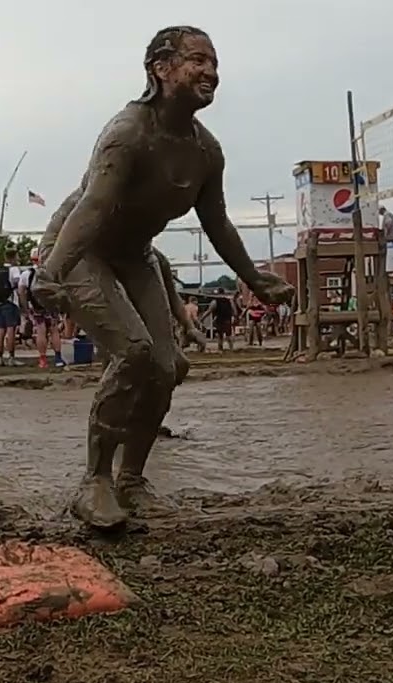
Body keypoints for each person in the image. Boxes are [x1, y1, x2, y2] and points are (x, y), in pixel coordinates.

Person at [30, 26, 293, 528]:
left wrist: (255, 278)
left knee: (168, 366)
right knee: (133, 352)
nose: (211, 72)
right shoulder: (127, 132)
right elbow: (93, 206)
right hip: (81, 249)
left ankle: (132, 479)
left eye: (215, 63)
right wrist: (52, 271)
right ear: (161, 67)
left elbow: (216, 222)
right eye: (198, 60)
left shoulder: (206, 151)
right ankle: (95, 482)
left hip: (134, 255)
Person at [17, 251, 66, 368]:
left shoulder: (26, 274)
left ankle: (43, 359)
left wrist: (25, 308)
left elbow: (21, 292)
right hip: (51, 306)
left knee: (41, 331)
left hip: (36, 307)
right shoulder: (51, 273)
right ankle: (58, 358)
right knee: (54, 331)